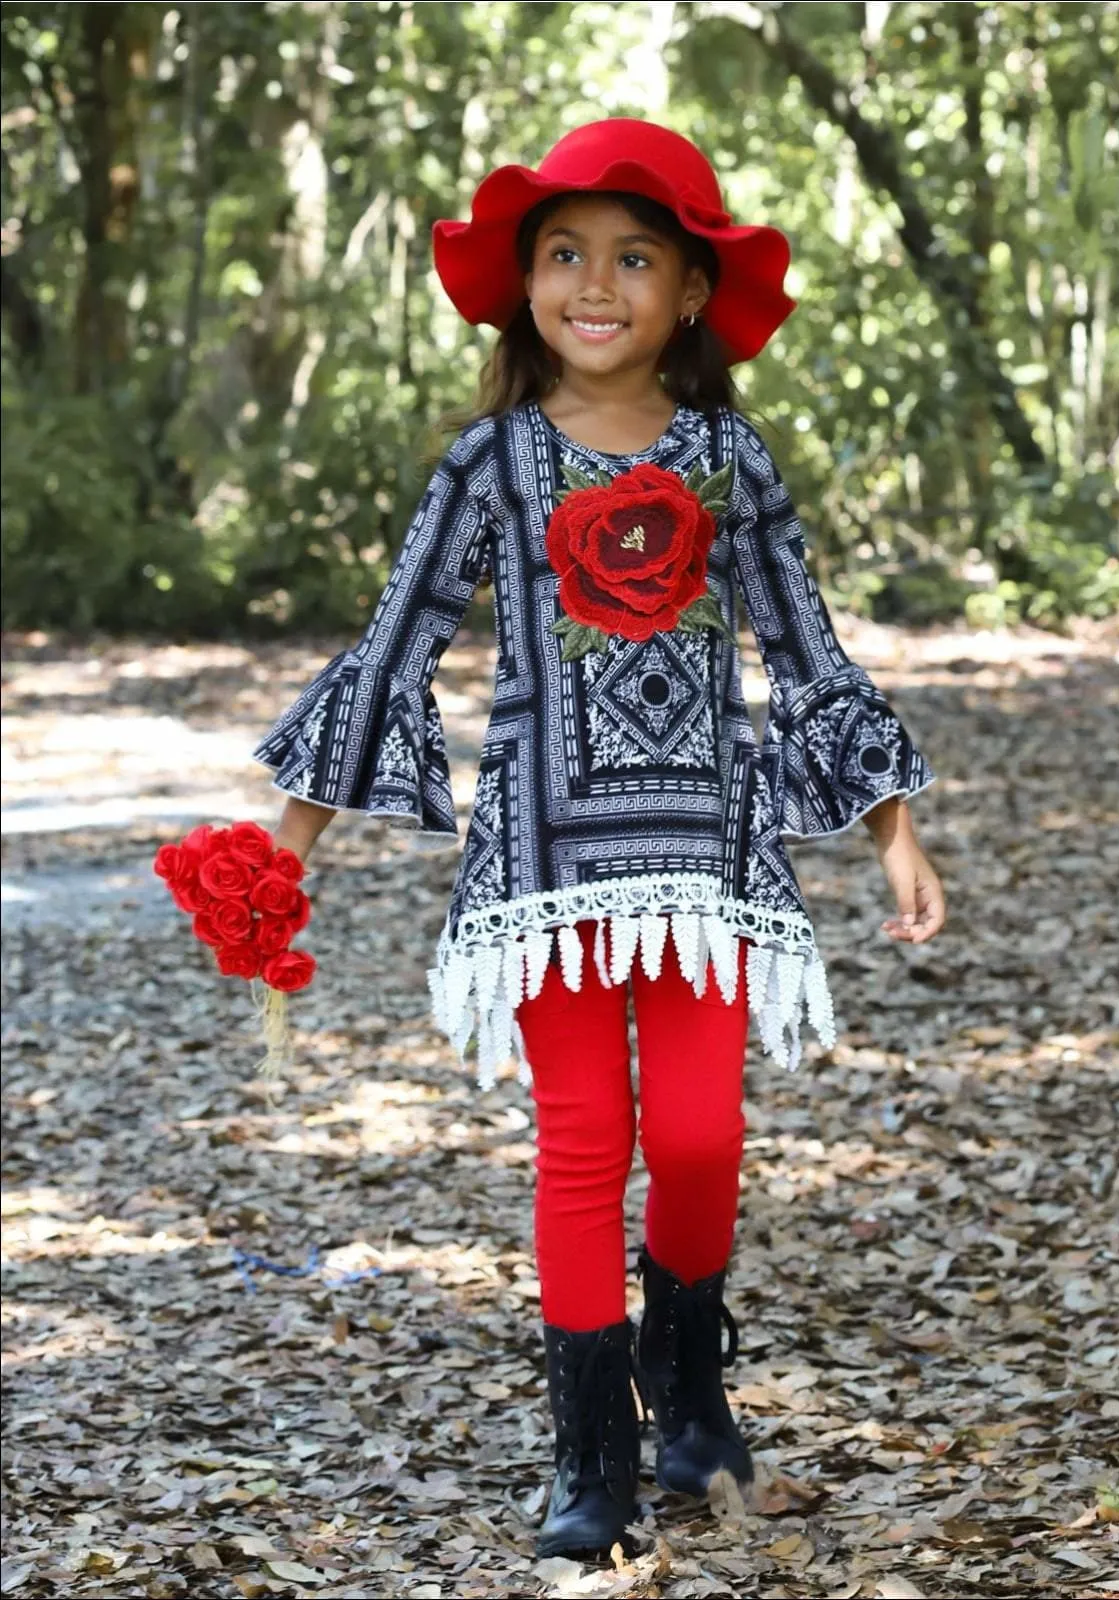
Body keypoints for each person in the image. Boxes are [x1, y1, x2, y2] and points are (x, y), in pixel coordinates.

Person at [250, 118, 945, 1560]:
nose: (595, 283)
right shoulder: (489, 463)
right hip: (547, 867)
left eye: (634, 258)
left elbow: (807, 655)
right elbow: (390, 657)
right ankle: (593, 1461)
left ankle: (689, 1391)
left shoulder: (728, 460)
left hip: (707, 863)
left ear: (690, 293)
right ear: (525, 284)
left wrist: (892, 830)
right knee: (584, 1142)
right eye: (565, 254)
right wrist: (286, 842)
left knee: (697, 1138)